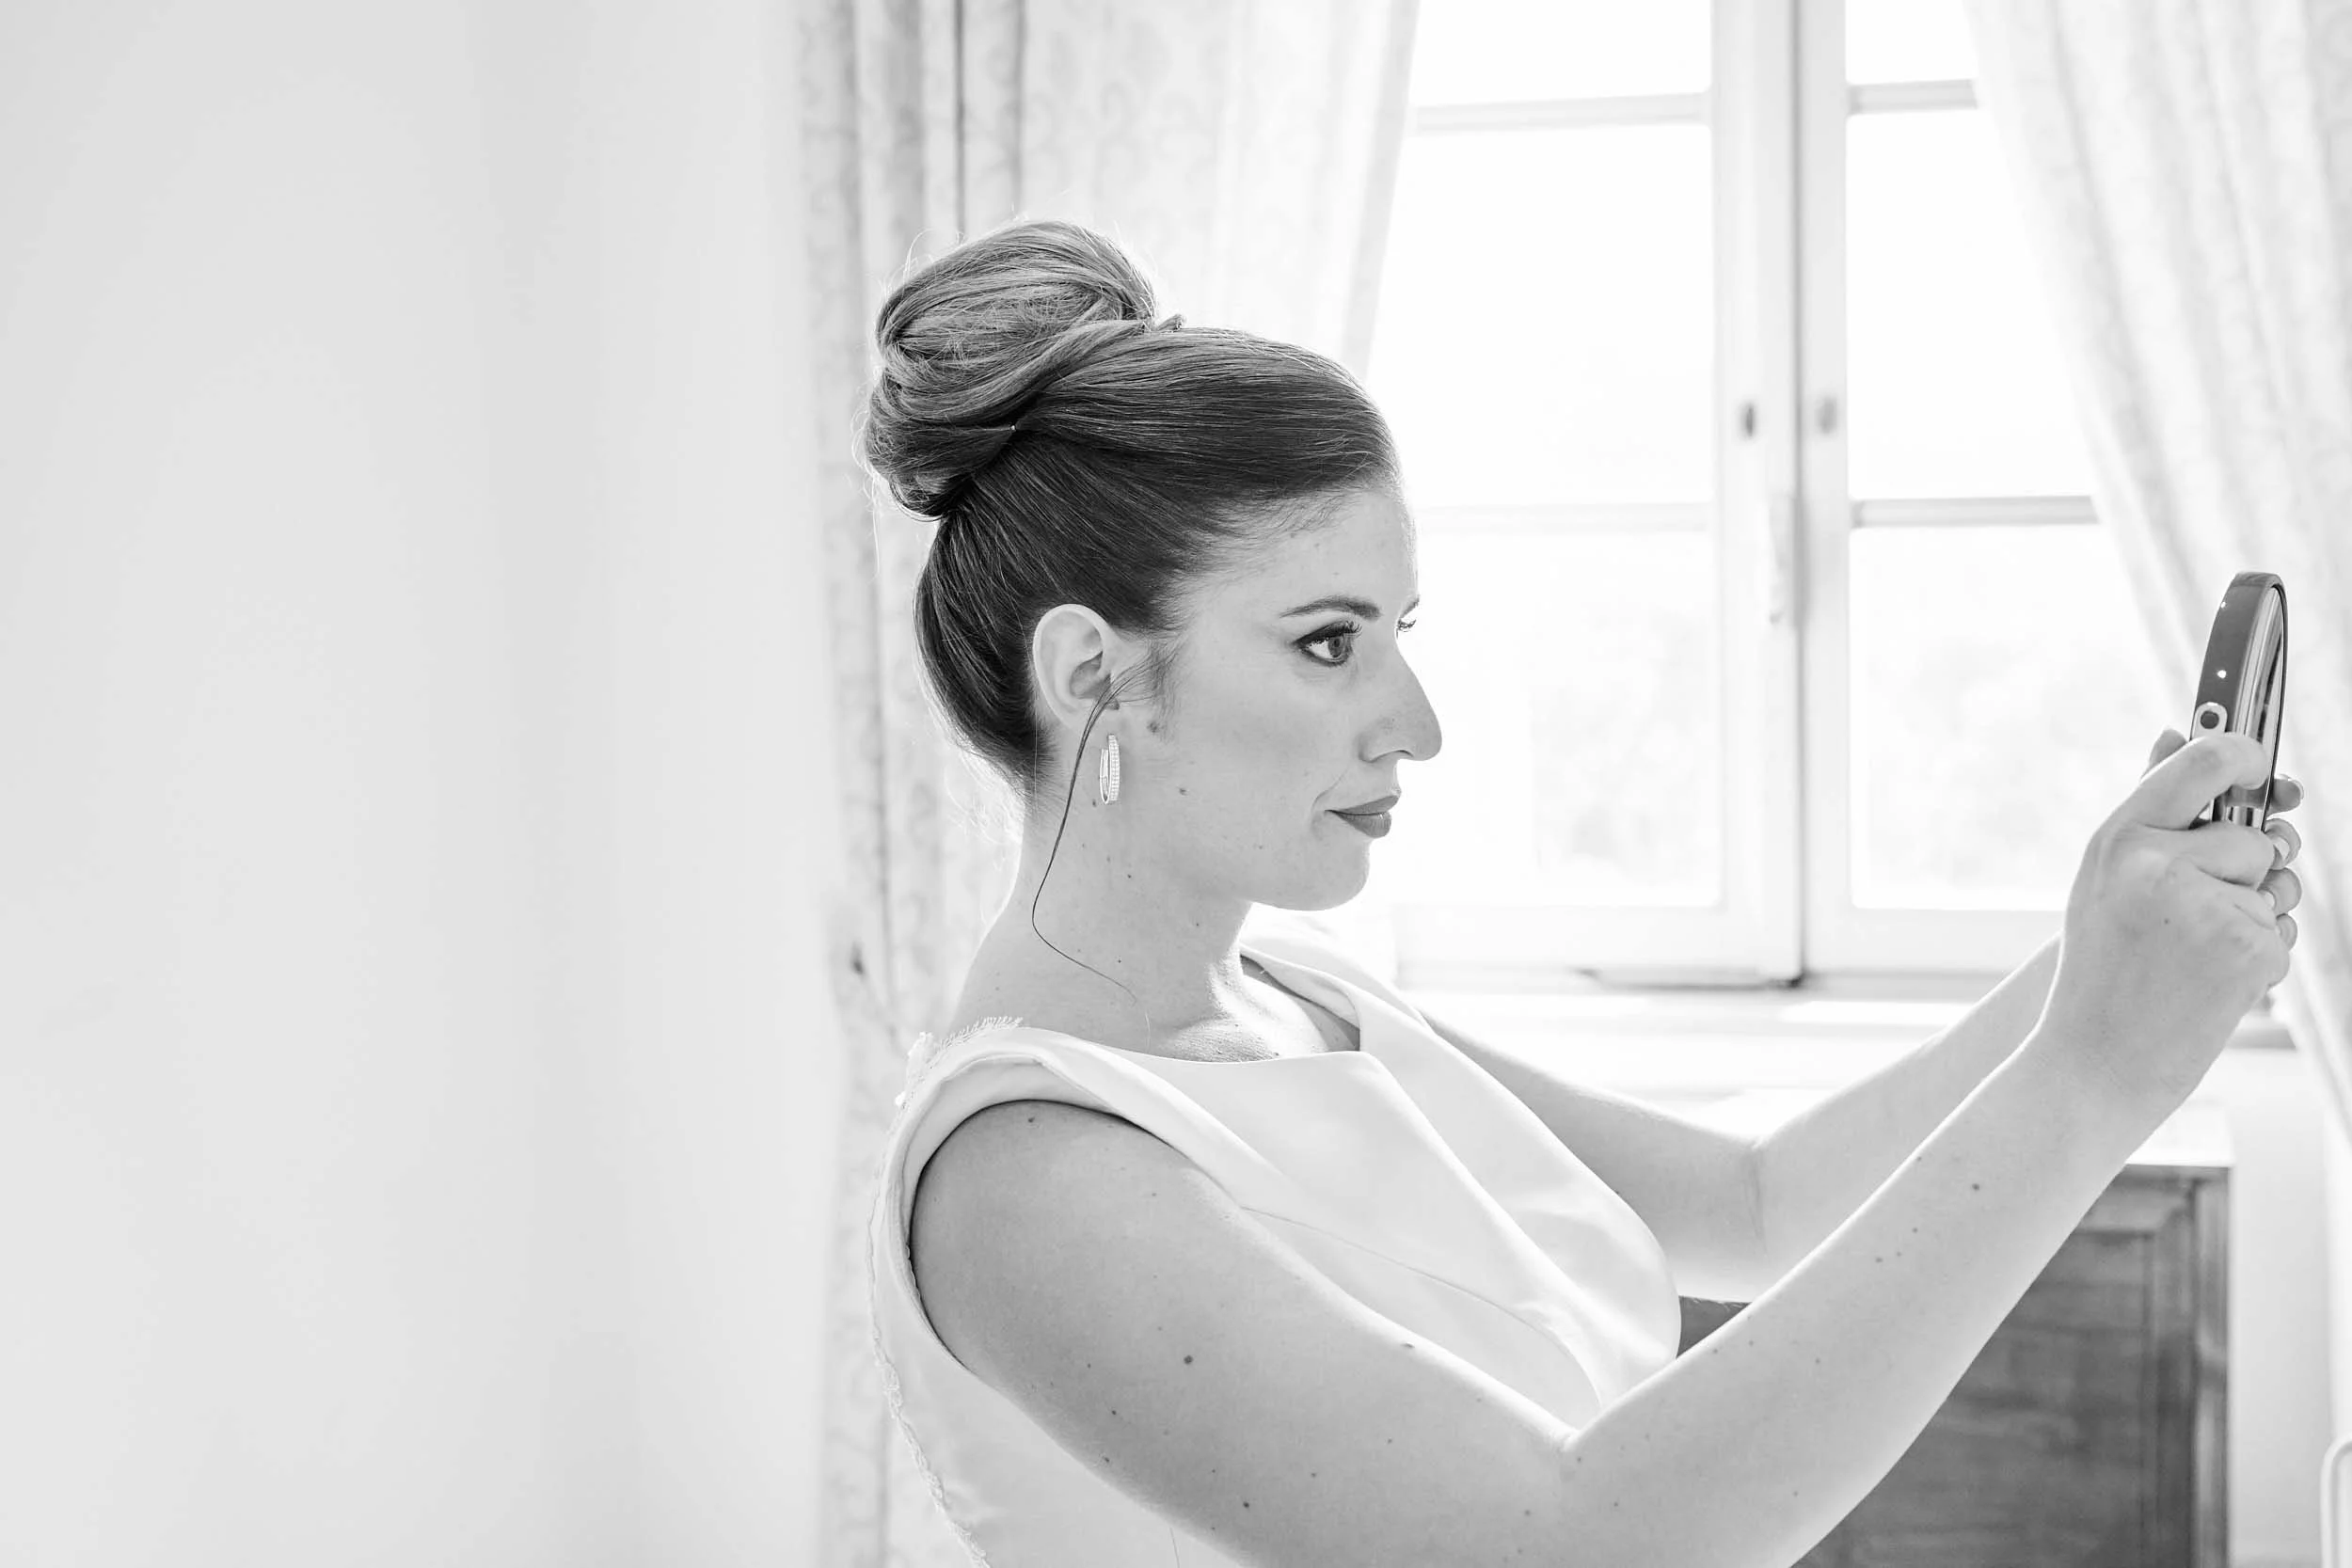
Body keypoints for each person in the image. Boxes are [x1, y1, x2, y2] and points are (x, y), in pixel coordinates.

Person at [860, 217, 2305, 1568]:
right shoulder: (1026, 1179)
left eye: (1397, 631)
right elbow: (1583, 1537)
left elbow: (1763, 1204)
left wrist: (2098, 947)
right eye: (1326, 642)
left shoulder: (1302, 999)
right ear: (1088, 672)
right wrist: (2098, 1073)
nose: (1416, 722)